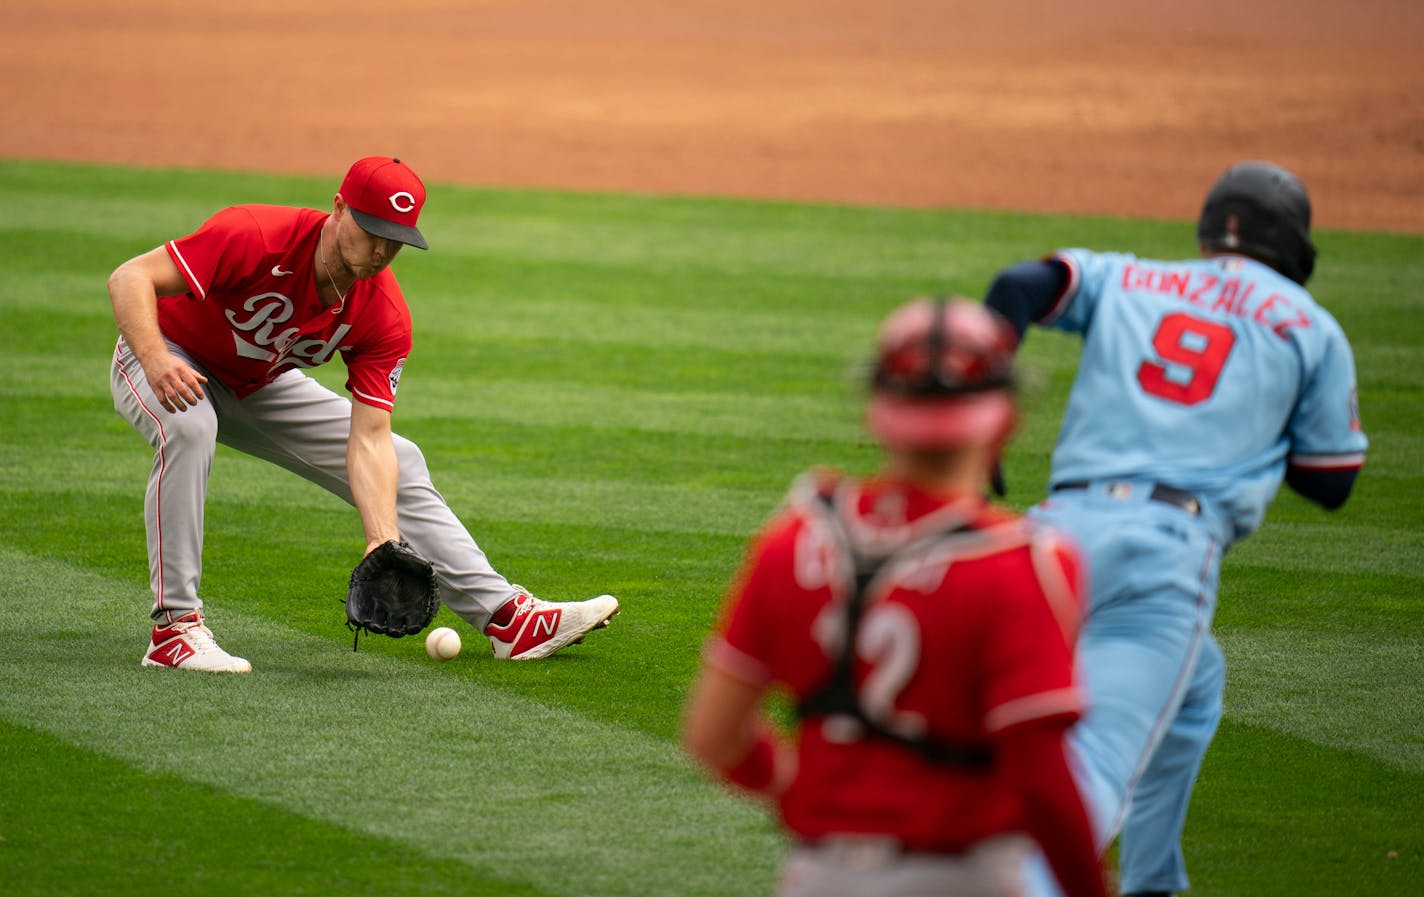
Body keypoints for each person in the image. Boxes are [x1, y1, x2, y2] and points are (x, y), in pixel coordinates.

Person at [982, 160, 1368, 896]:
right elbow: (1332, 483)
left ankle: (1152, 881)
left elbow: (1016, 288)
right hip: (1162, 557)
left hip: (1052, 540)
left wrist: (985, 407)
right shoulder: (1311, 327)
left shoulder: (1130, 277)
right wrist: (1247, 419)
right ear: (1294, 243)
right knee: (1094, 769)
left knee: (1197, 686)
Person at [107, 156, 619, 672]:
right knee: (191, 428)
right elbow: (130, 277)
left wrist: (382, 537)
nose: (380, 251)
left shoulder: (383, 312)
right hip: (165, 354)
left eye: (395, 240)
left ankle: (509, 620)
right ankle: (175, 631)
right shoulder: (256, 234)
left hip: (259, 382)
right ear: (338, 208)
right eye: (371, 230)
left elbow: (369, 439)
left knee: (403, 456)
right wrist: (155, 358)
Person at [682, 297, 1109, 897]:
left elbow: (713, 734)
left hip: (816, 878)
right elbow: (1042, 780)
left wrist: (813, 787)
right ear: (1005, 419)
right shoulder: (1022, 564)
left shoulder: (794, 539)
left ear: (876, 414)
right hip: (964, 879)